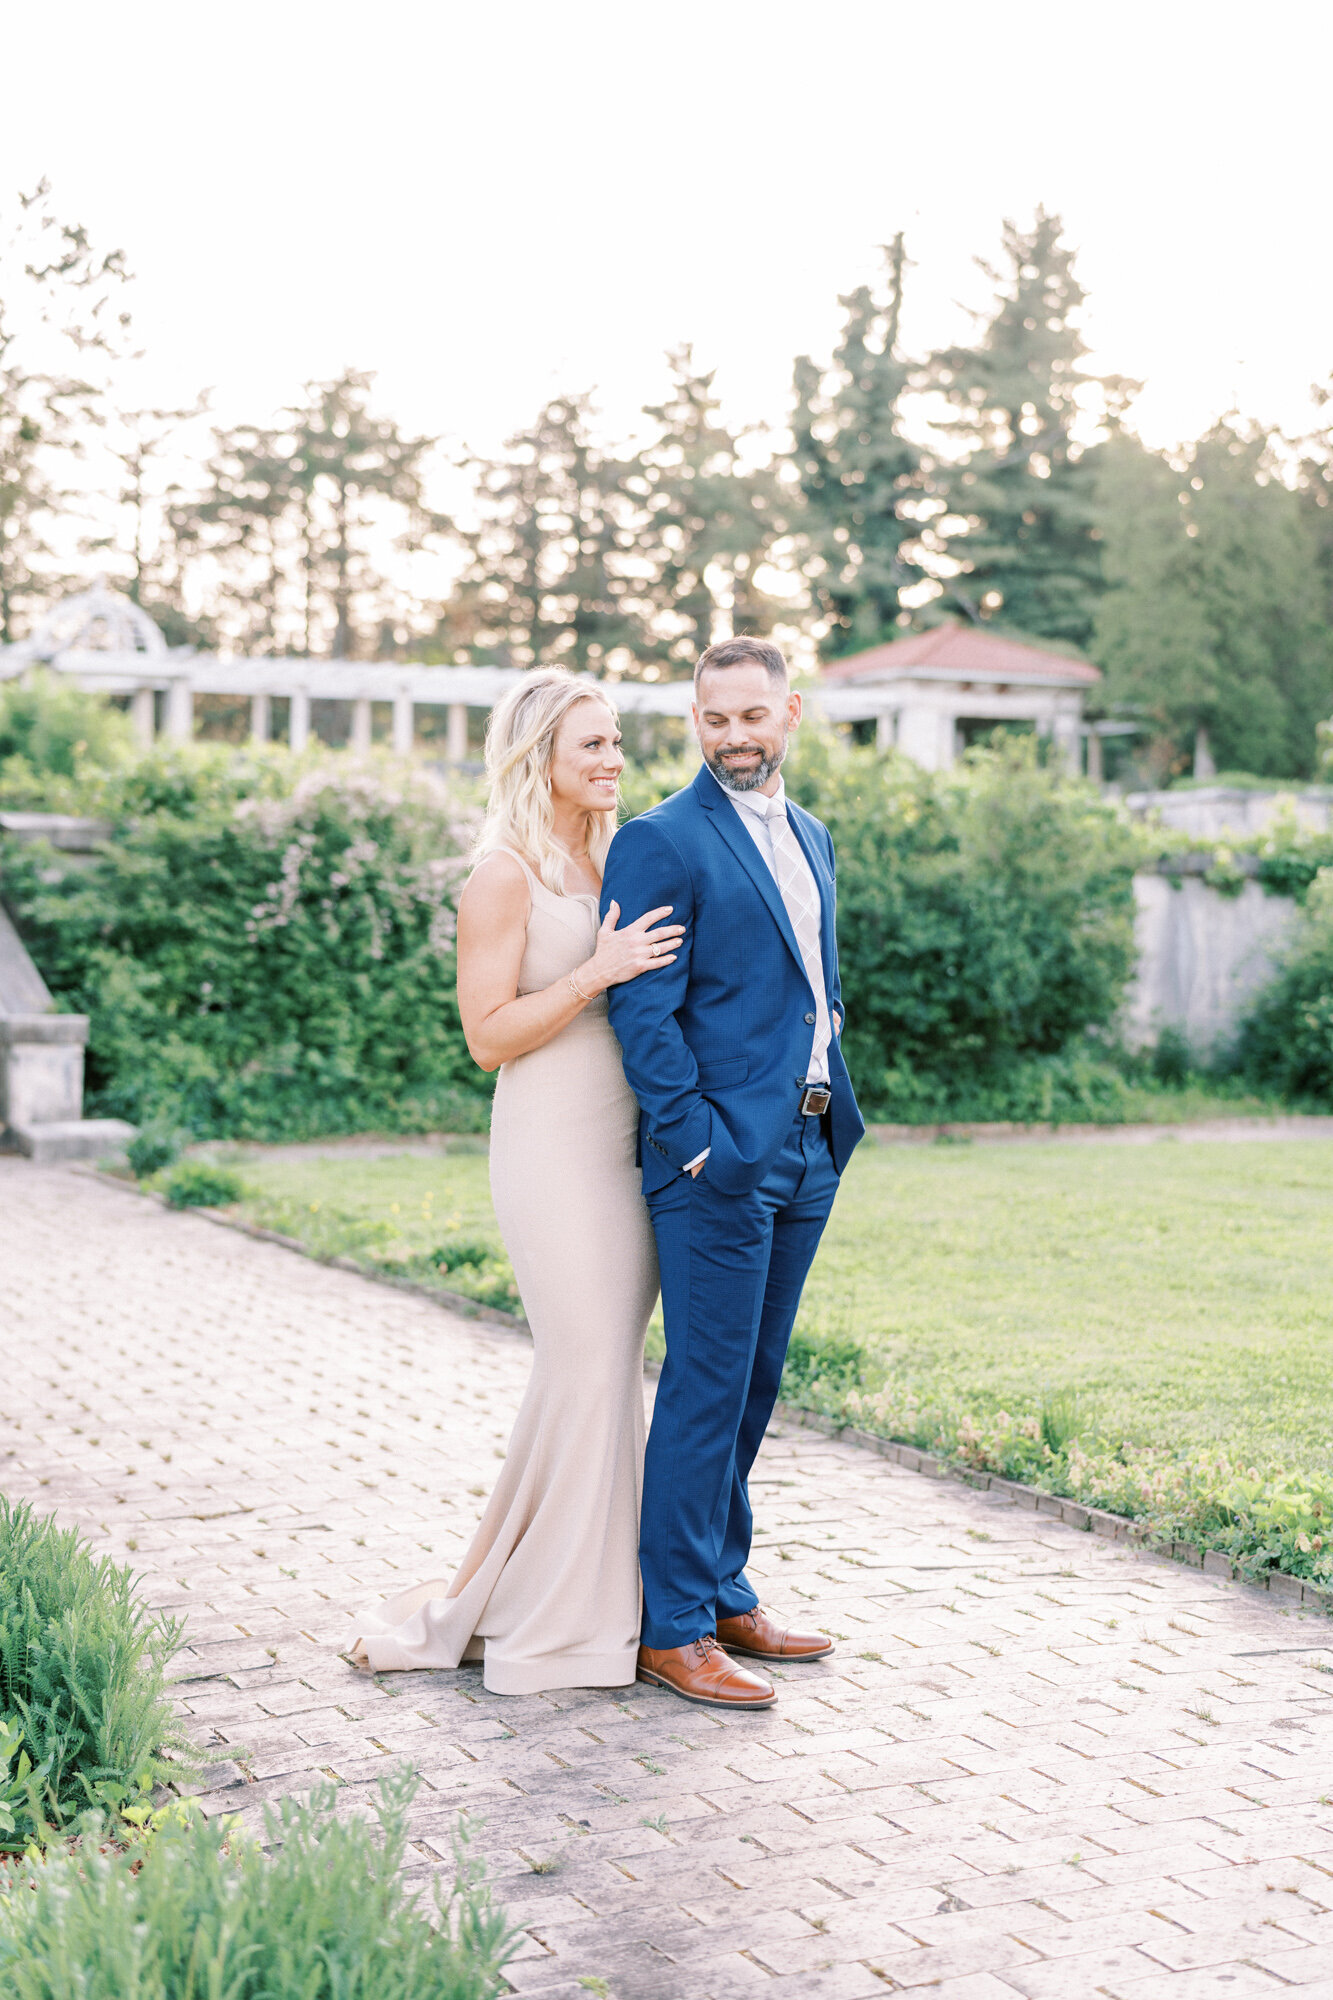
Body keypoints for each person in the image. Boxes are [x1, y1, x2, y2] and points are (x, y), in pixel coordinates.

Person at [349, 669, 682, 1694]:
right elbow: (486, 1037)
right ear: (539, 756)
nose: (613, 759)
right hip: (548, 1145)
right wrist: (593, 973)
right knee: (585, 1362)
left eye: (617, 739)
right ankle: (560, 1619)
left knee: (603, 1368)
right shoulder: (502, 875)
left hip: (627, 1143)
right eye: (591, 744)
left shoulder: (616, 855)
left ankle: (585, 1595)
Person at [601, 636, 865, 1711]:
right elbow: (641, 1008)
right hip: (714, 1160)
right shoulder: (659, 840)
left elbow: (809, 988)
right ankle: (670, 1627)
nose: (734, 737)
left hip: (806, 1146)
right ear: (695, 719)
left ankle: (720, 1587)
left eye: (752, 716)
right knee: (705, 1387)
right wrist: (697, 1138)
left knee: (755, 1381)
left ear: (789, 711)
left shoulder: (811, 834)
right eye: (714, 719)